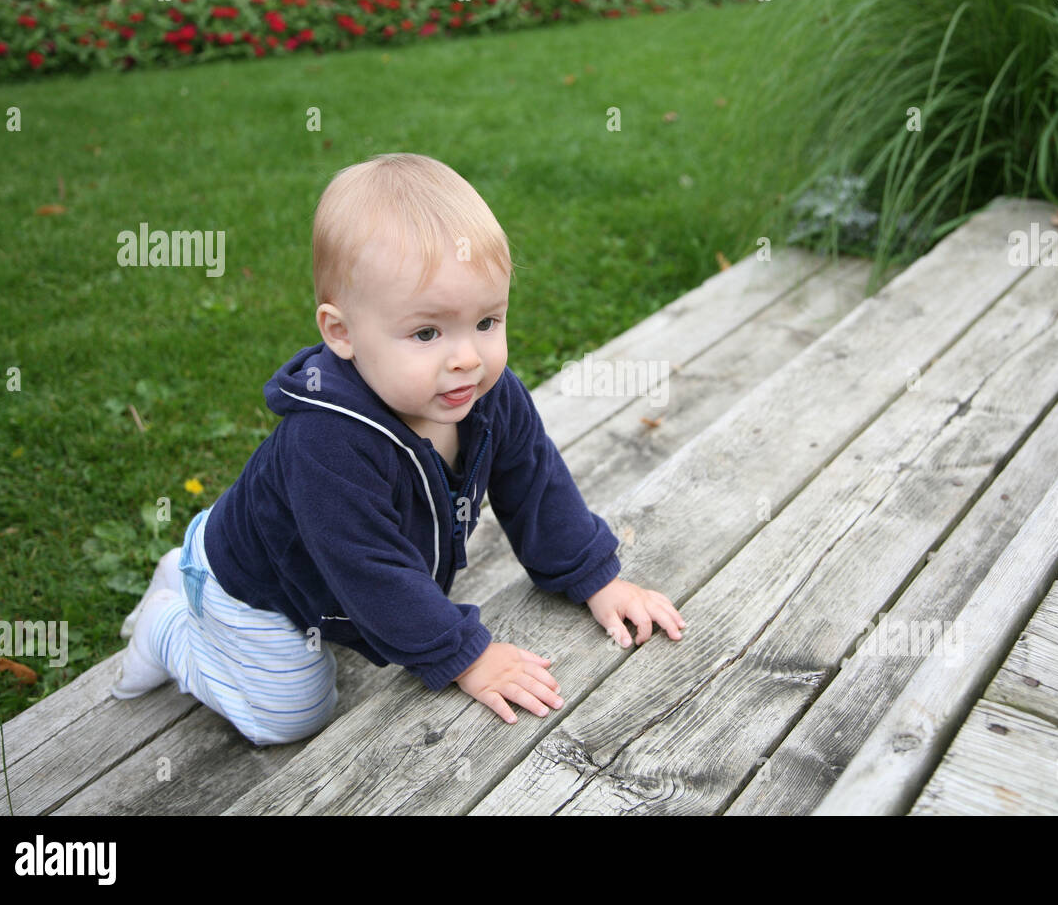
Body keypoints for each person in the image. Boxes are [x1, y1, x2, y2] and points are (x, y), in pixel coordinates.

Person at [110, 153, 686, 745]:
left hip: (329, 581)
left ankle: (187, 573)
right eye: (427, 333)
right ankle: (173, 624)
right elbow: (370, 566)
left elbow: (534, 482)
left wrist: (594, 576)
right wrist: (466, 655)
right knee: (290, 717)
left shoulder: (486, 395)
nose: (466, 356)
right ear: (341, 333)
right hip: (262, 585)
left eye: (487, 321)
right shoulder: (327, 441)